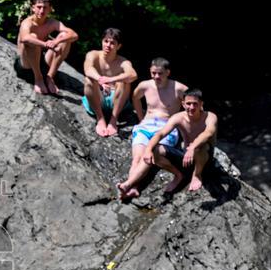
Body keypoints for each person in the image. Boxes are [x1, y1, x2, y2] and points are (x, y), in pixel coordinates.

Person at [117, 58, 189, 201]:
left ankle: (127, 185)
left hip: (166, 127)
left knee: (147, 157)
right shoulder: (145, 85)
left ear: (168, 72)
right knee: (137, 158)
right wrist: (141, 117)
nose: (156, 76)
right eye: (153, 73)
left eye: (160, 73)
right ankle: (134, 189)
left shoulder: (179, 89)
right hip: (146, 125)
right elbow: (135, 97)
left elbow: (193, 106)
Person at [142, 88, 217, 194]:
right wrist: (148, 149)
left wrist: (192, 147)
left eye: (195, 104)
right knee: (156, 150)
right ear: (183, 104)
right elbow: (161, 133)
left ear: (201, 104)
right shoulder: (178, 117)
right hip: (185, 157)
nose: (191, 107)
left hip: (204, 159)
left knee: (201, 147)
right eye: (188, 103)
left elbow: (208, 132)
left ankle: (197, 174)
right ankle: (178, 175)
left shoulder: (210, 116)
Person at [16, 0, 79, 95]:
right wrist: (46, 44)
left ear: (50, 9)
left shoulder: (52, 23)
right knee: (32, 38)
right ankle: (38, 79)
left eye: (45, 7)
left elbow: (74, 35)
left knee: (64, 37)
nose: (41, 11)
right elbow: (25, 38)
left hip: (42, 63)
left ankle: (50, 77)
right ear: (33, 8)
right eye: (39, 7)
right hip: (26, 66)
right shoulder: (27, 23)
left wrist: (56, 41)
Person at [82, 28, 137, 137]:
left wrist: (110, 79)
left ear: (118, 46)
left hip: (116, 101)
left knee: (124, 81)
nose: (108, 45)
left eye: (112, 43)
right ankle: (100, 119)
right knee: (88, 80)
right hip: (97, 98)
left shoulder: (123, 61)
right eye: (106, 41)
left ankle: (113, 120)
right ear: (102, 42)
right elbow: (88, 69)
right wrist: (100, 80)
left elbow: (133, 75)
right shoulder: (93, 54)